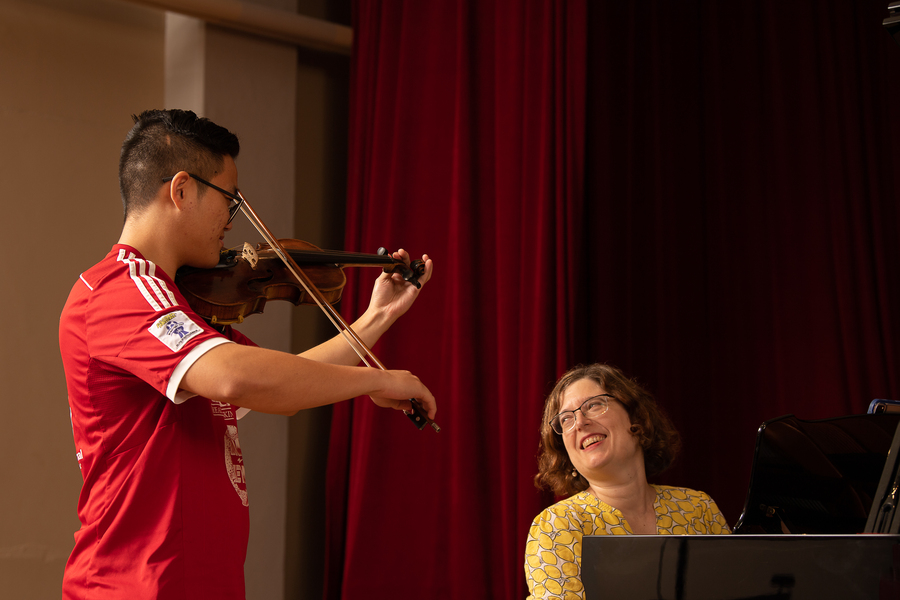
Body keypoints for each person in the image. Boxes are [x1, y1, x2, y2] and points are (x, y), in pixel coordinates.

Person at [58, 109, 436, 599]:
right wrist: (381, 381)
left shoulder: (179, 305)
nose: (232, 222)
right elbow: (238, 379)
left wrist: (376, 319)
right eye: (228, 200)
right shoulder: (118, 290)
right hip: (131, 588)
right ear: (181, 190)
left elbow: (285, 383)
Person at [524, 363, 729, 600]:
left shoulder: (699, 508)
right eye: (566, 419)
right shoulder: (556, 526)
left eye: (593, 405)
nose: (579, 422)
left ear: (636, 418)